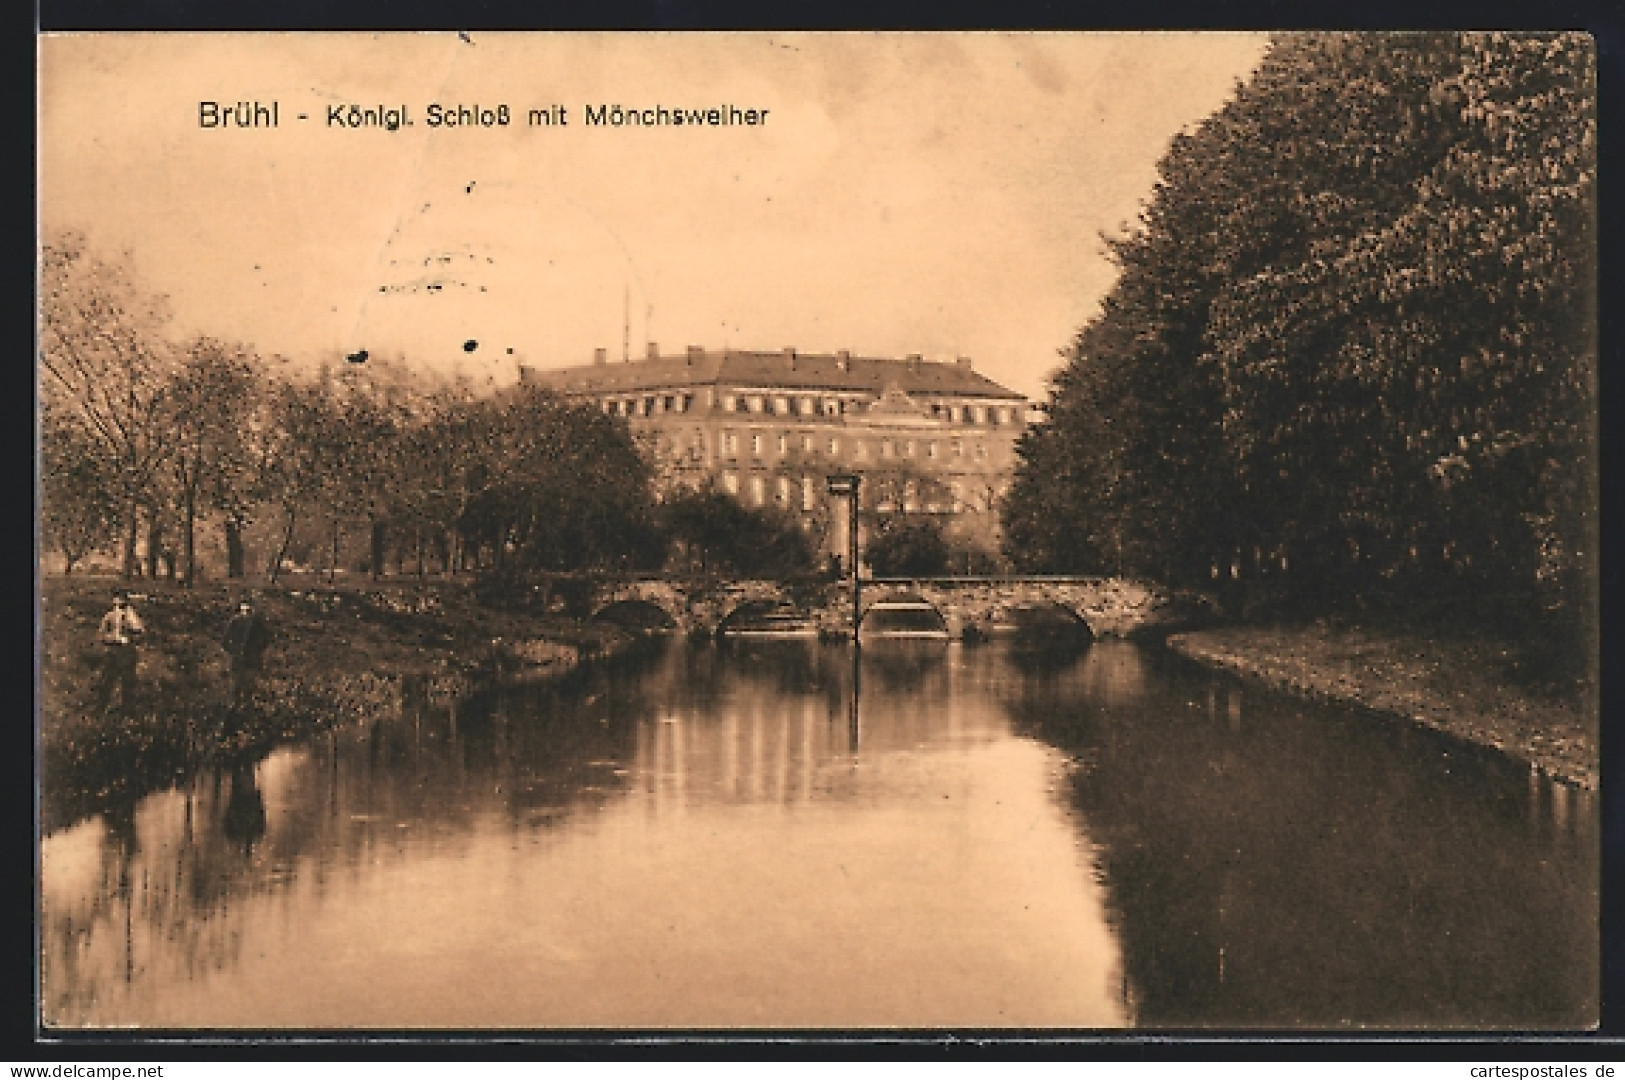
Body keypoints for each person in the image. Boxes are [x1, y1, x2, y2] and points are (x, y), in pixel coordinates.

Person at [93, 592, 144, 713]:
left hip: (127, 650)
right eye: (115, 605)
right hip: (112, 650)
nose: (117, 609)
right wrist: (111, 639)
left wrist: (129, 616)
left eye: (121, 606)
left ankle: (127, 707)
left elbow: (139, 631)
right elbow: (101, 634)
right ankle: (102, 706)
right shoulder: (109, 617)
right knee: (107, 679)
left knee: (128, 680)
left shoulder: (131, 617)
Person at [222, 599, 271, 711]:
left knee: (245, 685)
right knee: (239, 685)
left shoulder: (257, 624)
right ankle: (238, 707)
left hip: (248, 659)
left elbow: (266, 639)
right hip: (242, 659)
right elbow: (225, 641)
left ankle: (243, 707)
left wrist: (256, 651)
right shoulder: (236, 622)